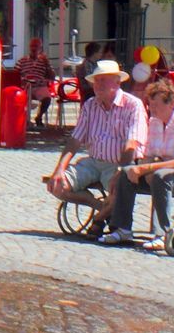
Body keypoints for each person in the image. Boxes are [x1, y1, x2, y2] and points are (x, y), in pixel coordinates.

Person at [45, 60, 145, 243]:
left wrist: (121, 171)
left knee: (121, 187)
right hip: (93, 161)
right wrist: (60, 168)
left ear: (117, 81)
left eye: (103, 80)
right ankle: (100, 207)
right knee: (57, 185)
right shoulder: (90, 105)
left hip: (118, 163)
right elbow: (75, 140)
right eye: (96, 81)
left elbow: (132, 143)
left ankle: (99, 220)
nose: (97, 85)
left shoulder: (133, 105)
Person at [108, 76, 174, 245]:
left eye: (156, 105)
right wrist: (138, 168)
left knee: (161, 177)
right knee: (127, 172)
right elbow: (149, 154)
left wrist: (148, 168)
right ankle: (122, 229)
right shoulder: (154, 122)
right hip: (163, 171)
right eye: (150, 104)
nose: (151, 108)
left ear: (171, 104)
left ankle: (163, 233)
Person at [17, 38, 54, 138]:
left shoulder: (44, 61)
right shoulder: (22, 60)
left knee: (47, 98)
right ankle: (25, 120)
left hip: (39, 85)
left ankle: (39, 117)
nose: (34, 49)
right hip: (26, 86)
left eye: (36, 47)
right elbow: (15, 74)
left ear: (40, 48)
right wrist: (22, 80)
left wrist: (47, 65)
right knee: (22, 98)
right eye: (32, 46)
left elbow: (52, 77)